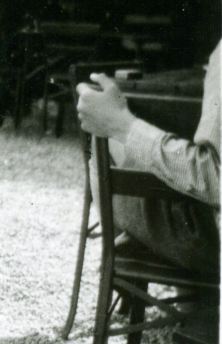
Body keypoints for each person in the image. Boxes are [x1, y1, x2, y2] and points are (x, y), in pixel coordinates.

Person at [75, 39, 220, 275]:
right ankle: (190, 304)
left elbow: (215, 177)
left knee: (106, 144)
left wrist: (123, 125)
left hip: (209, 242)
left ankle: (120, 265)